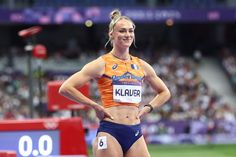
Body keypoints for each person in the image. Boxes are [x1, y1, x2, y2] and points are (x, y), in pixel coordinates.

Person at [59, 9, 171, 157]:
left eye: (131, 31)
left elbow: (165, 92)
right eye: (122, 31)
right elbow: (66, 88)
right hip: (110, 130)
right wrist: (94, 105)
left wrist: (148, 108)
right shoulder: (102, 63)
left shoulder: (142, 65)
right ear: (111, 34)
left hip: (135, 131)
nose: (128, 34)